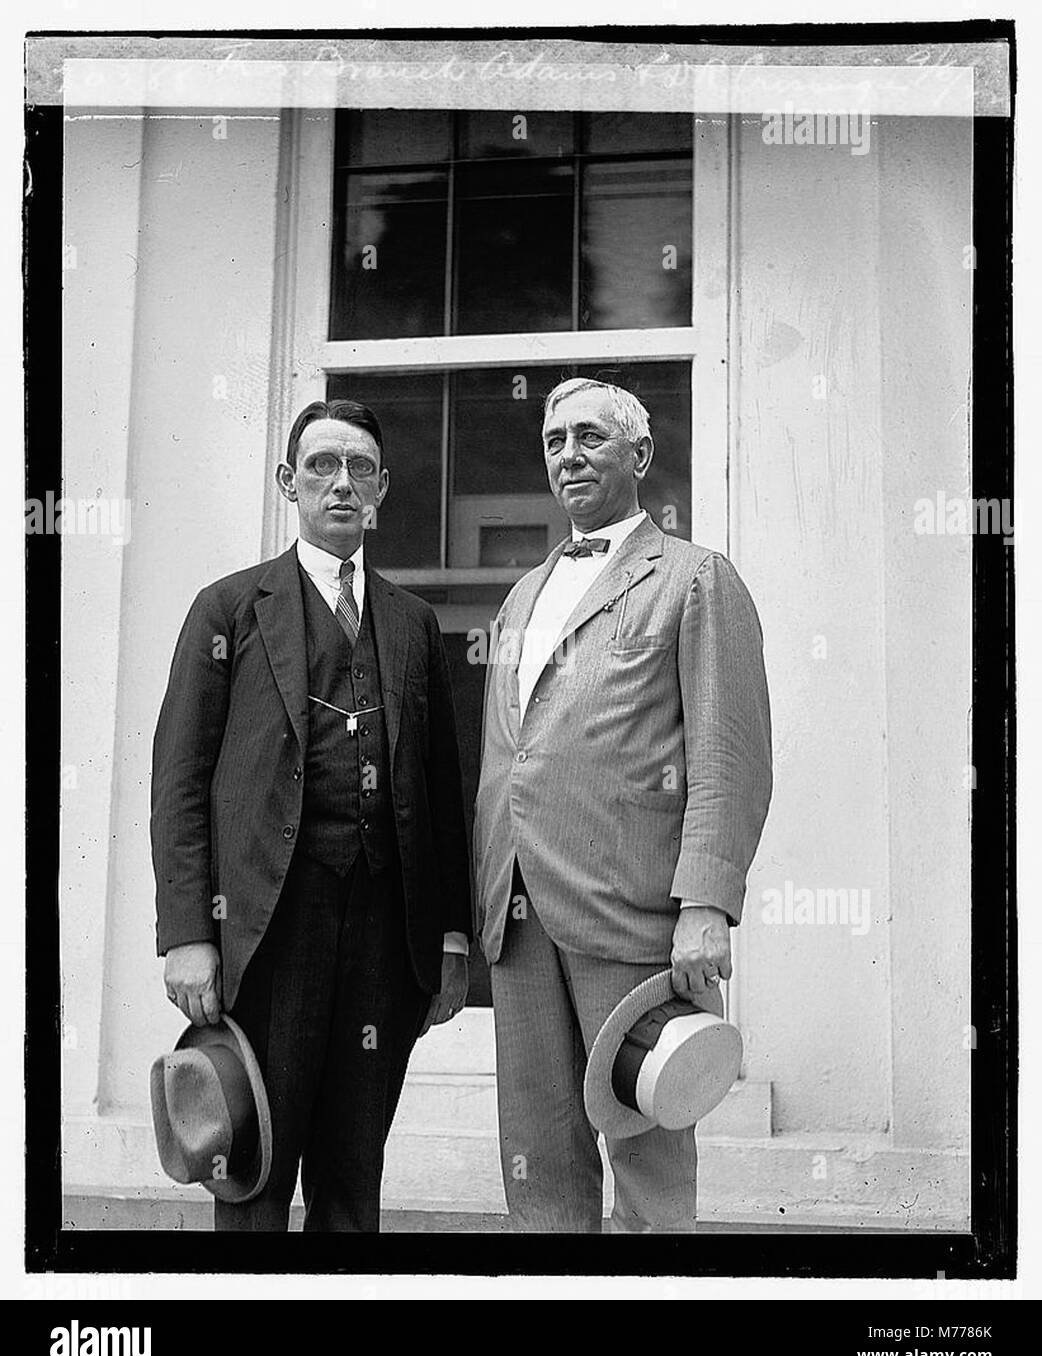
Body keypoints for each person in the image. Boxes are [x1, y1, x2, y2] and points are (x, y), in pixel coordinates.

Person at [150, 399, 471, 1232]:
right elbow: (179, 780)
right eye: (323, 466)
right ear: (290, 484)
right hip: (266, 936)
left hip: (381, 943)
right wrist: (189, 932)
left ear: (382, 489)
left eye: (359, 468)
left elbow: (442, 789)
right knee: (254, 1176)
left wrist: (450, 936)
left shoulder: (412, 623)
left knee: (353, 1184)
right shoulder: (228, 610)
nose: (341, 484)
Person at [474, 378, 773, 1233]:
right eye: (555, 439)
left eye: (590, 438)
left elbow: (730, 754)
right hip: (520, 913)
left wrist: (705, 905)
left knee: (645, 1153)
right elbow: (515, 756)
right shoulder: (522, 594)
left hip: (634, 915)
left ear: (639, 455)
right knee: (535, 1158)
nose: (568, 455)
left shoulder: (694, 579)